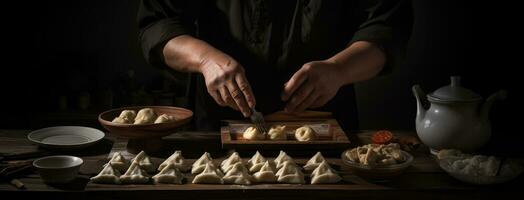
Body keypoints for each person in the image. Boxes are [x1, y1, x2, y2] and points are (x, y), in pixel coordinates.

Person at [137, 0, 405, 131]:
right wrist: (205, 59)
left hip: (324, 128)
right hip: (218, 128)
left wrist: (340, 70)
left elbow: (388, 26)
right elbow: (156, 24)